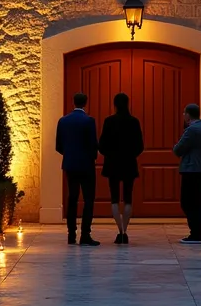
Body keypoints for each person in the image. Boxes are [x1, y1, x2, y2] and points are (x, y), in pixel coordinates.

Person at [56, 91, 100, 246]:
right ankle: (85, 234)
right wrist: (92, 157)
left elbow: (58, 146)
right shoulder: (89, 121)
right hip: (86, 165)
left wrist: (69, 154)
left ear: (73, 102)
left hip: (70, 164)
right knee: (88, 199)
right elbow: (93, 144)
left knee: (72, 198)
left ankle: (71, 234)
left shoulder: (63, 121)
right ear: (85, 103)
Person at [99, 93, 143, 245]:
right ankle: (125, 230)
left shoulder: (109, 121)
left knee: (114, 198)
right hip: (129, 163)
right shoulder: (134, 122)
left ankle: (120, 231)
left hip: (112, 163)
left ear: (115, 105)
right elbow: (140, 145)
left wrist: (110, 154)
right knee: (128, 198)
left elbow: (102, 145)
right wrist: (130, 154)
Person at [172, 103, 201, 244]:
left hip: (191, 170)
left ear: (188, 115)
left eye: (184, 113)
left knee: (187, 202)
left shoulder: (191, 130)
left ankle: (196, 233)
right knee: (198, 201)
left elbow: (178, 149)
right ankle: (200, 232)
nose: (183, 115)